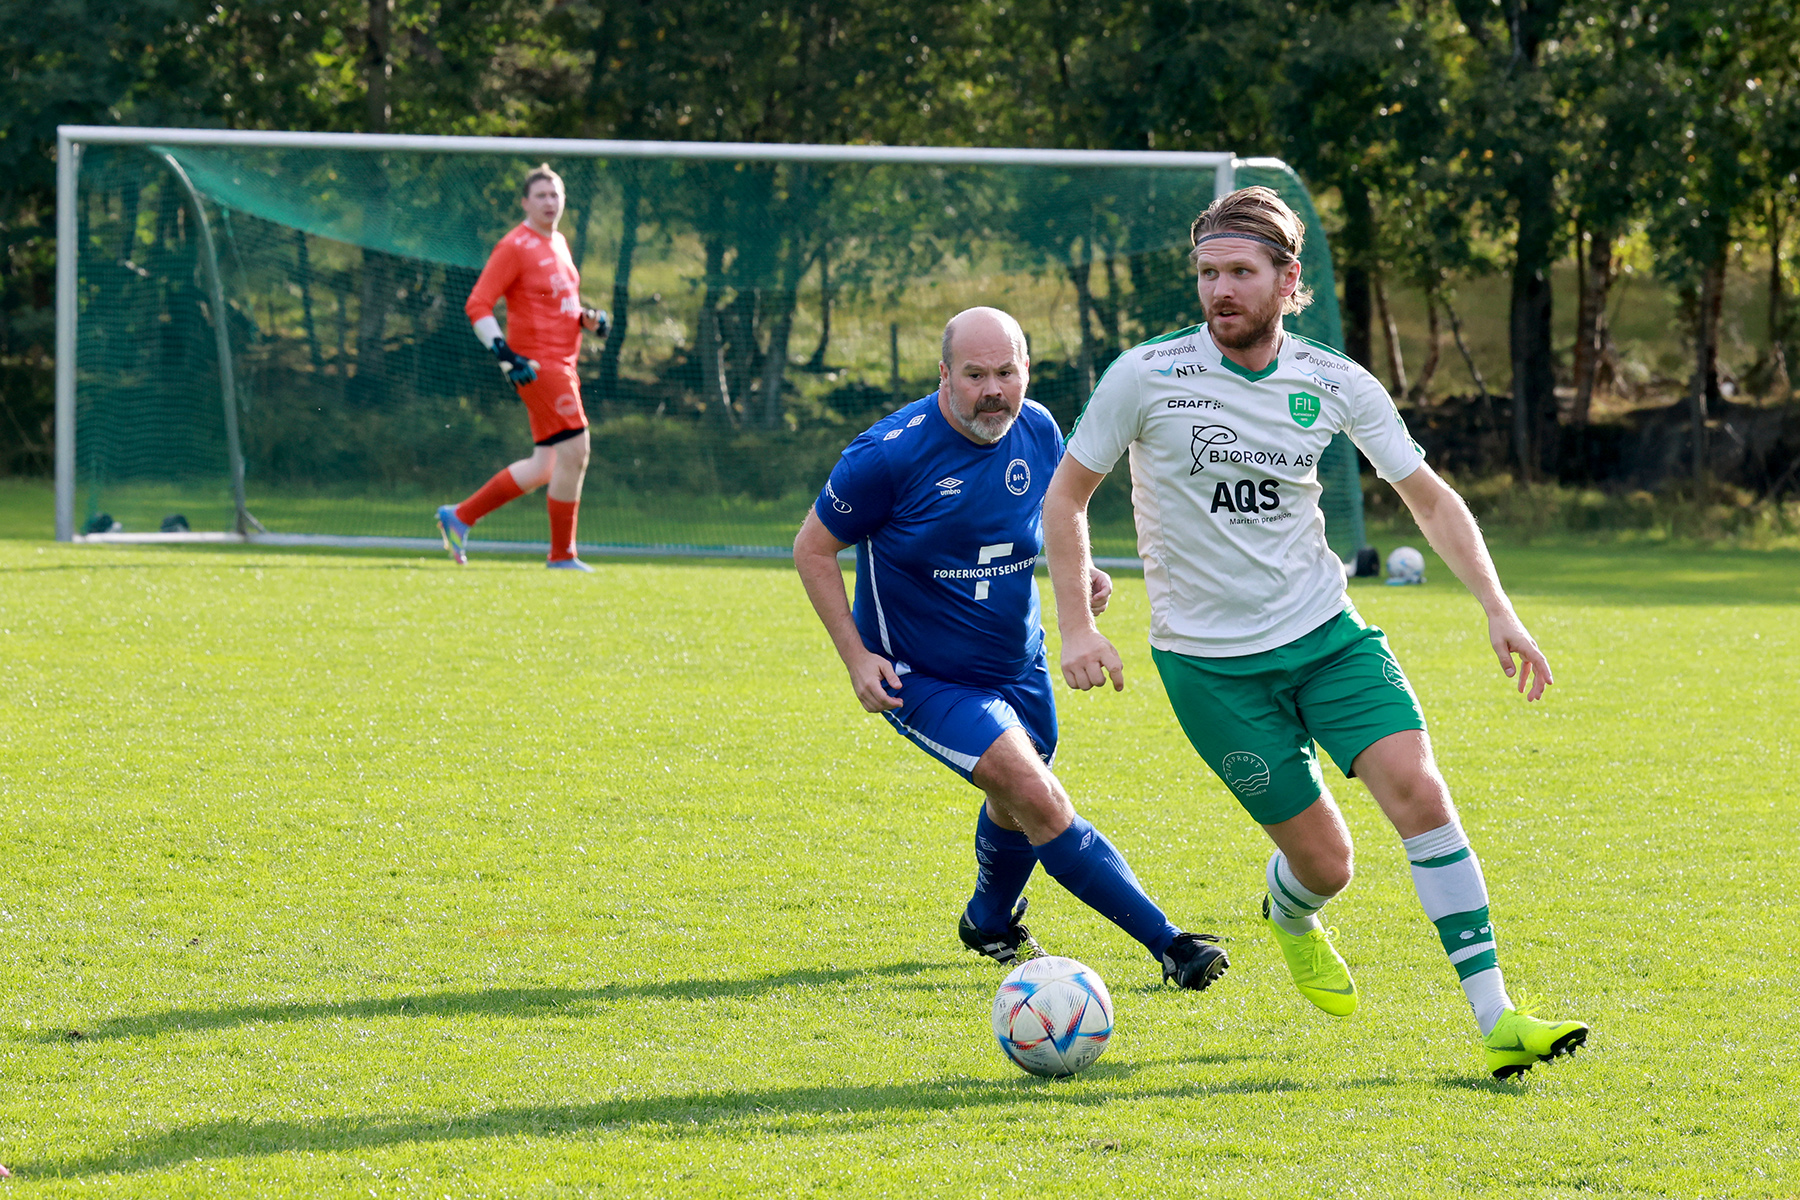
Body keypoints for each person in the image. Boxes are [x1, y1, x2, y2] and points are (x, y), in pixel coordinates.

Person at [1042, 187, 1589, 1079]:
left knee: (1419, 792)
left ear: (1287, 280)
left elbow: (1430, 498)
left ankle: (1498, 1018)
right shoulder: (1145, 376)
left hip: (1327, 636)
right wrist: (1074, 626)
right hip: (1210, 670)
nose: (1220, 290)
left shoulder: (1335, 382)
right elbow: (1066, 497)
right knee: (1327, 865)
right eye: (1208, 274)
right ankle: (1290, 912)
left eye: (1240, 273)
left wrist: (1499, 608)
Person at [793, 306, 1229, 989]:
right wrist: (857, 657)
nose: (992, 389)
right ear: (944, 375)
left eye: (1006, 372)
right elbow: (813, 549)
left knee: (1015, 796)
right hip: (924, 676)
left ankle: (989, 922)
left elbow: (1058, 516)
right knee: (1036, 793)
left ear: (1027, 370)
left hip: (1017, 661)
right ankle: (1172, 945)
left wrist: (1080, 573)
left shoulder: (1039, 427)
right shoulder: (887, 455)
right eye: (974, 375)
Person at [436, 163, 609, 570]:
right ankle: (562, 555)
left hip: (563, 362)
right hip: (539, 366)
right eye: (541, 196)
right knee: (576, 451)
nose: (550, 202)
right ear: (525, 202)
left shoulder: (560, 243)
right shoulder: (514, 245)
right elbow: (477, 304)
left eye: (555, 194)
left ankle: (459, 516)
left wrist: (587, 319)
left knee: (544, 465)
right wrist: (504, 354)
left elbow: (556, 305)